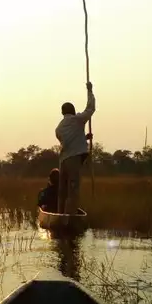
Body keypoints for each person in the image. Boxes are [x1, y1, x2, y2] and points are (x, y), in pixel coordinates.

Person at [55, 81, 96, 214]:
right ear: (72, 111)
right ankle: (69, 218)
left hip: (63, 161)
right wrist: (90, 90)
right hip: (73, 161)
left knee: (63, 191)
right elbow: (90, 108)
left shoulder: (59, 128)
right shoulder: (77, 120)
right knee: (73, 190)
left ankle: (60, 214)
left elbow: (68, 142)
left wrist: (83, 138)